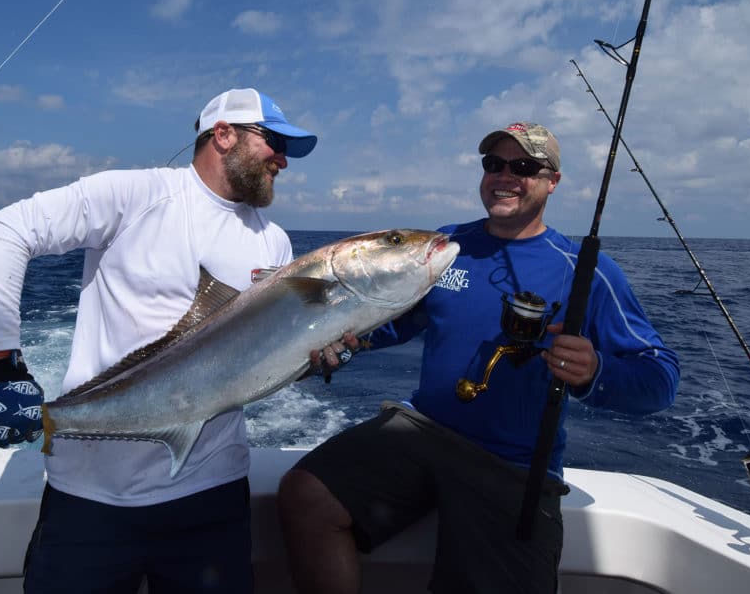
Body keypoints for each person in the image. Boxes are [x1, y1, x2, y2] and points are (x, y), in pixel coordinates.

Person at [278, 122, 680, 594]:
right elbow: (392, 321)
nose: (505, 176)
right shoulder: (446, 246)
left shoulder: (585, 269)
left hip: (514, 462)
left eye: (524, 167)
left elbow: (660, 376)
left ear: (552, 181)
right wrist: (342, 346)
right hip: (422, 428)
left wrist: (595, 372)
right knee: (307, 495)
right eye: (494, 164)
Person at [0, 87, 318, 593]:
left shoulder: (274, 241)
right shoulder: (134, 194)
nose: (282, 159)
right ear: (222, 135)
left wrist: (319, 356)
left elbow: (263, 358)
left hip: (212, 497)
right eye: (273, 141)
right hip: (90, 498)